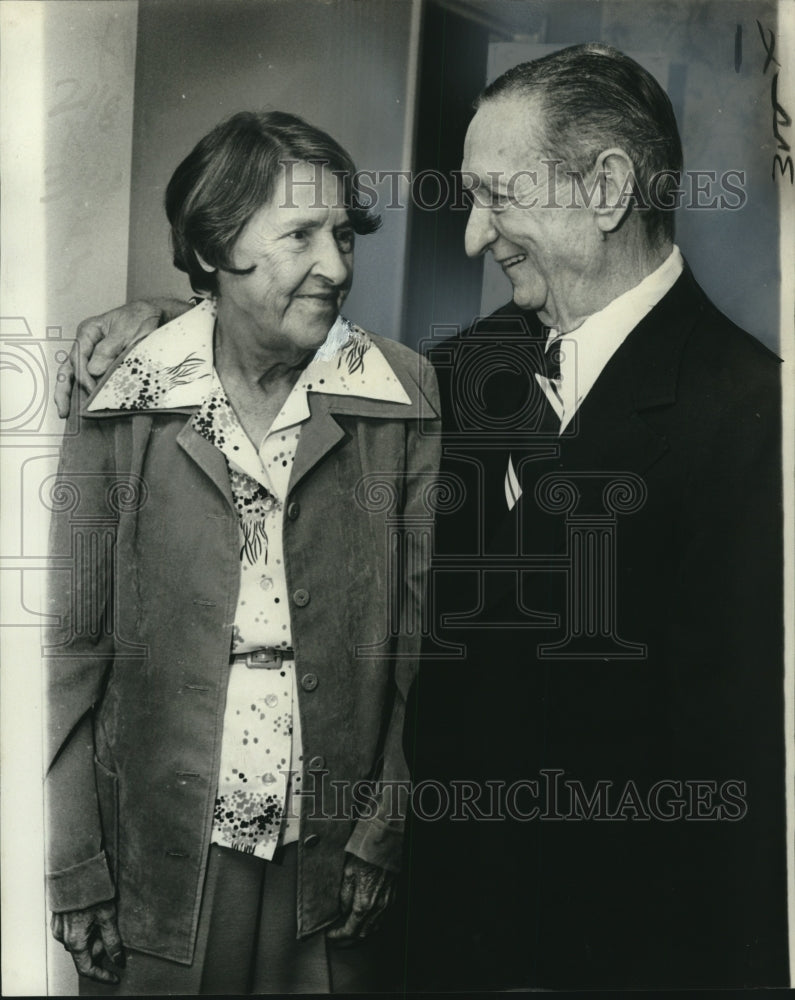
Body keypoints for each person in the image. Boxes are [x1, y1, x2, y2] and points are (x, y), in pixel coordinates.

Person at [56, 45, 789, 991]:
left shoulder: (755, 416)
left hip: (615, 956)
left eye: (496, 196)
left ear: (606, 190)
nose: (477, 237)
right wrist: (183, 314)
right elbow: (293, 356)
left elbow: (738, 797)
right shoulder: (461, 372)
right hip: (436, 939)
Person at [46, 110, 440, 995]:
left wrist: (384, 826)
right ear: (218, 244)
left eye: (342, 235)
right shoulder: (124, 387)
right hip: (154, 851)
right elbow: (68, 648)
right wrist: (72, 859)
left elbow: (421, 645)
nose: (336, 267)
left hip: (330, 859)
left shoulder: (402, 391)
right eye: (299, 234)